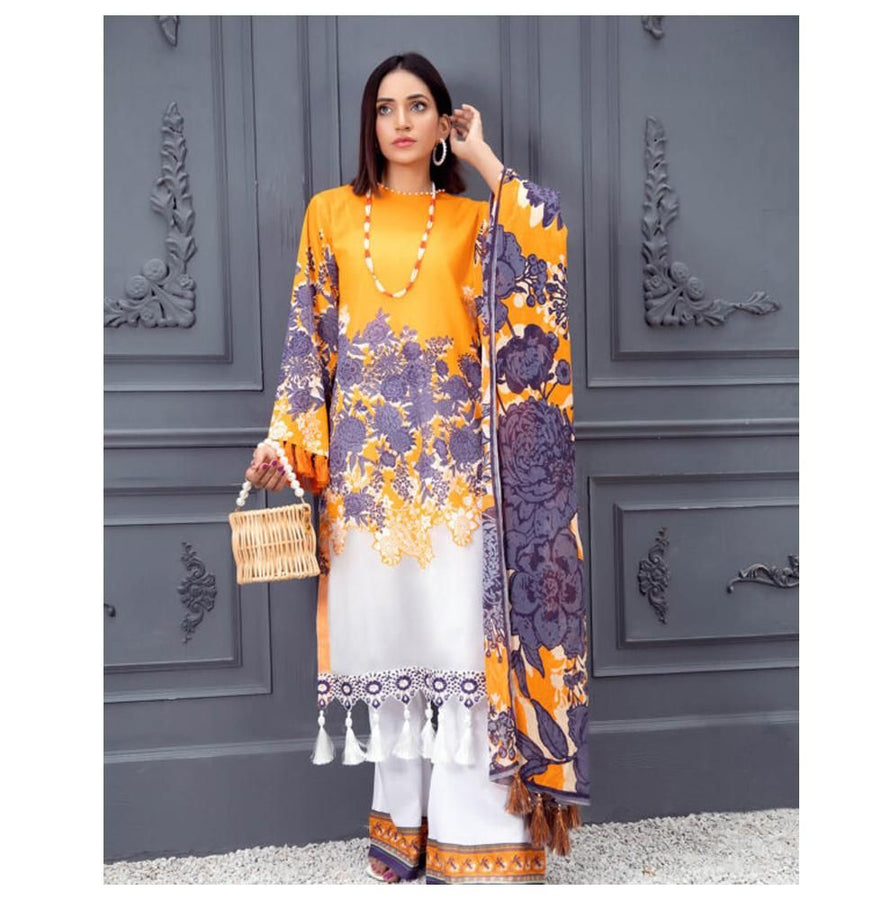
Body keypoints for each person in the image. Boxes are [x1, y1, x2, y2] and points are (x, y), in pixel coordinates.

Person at [246, 52, 589, 885]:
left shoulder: (474, 219)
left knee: (464, 651)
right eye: (386, 107)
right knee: (394, 649)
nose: (400, 121)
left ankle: (475, 838)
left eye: (419, 106)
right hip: (368, 476)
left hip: (461, 473)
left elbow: (542, 242)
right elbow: (307, 337)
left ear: (443, 123)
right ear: (370, 123)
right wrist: (287, 438)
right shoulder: (331, 213)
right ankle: (402, 829)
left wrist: (483, 157)